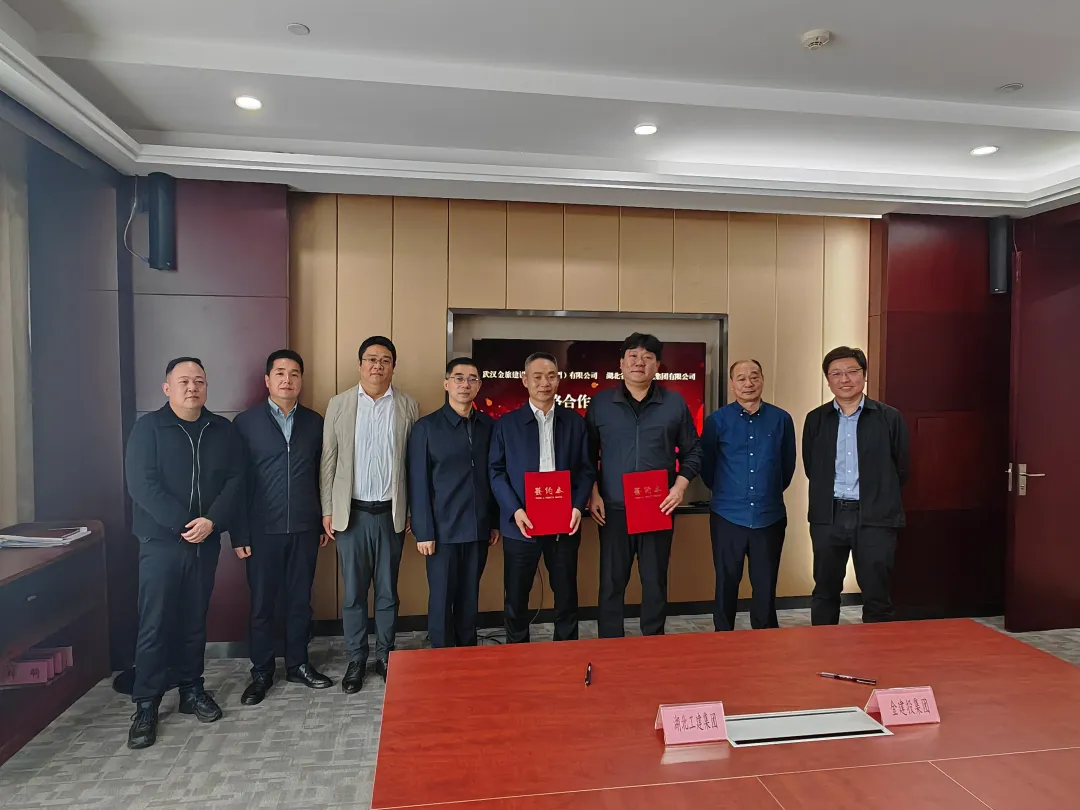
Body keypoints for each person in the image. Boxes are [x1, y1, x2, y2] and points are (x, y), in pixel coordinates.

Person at [123, 357, 245, 749]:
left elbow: (236, 480)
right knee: (155, 623)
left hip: (204, 542)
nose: (192, 387)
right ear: (167, 388)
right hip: (160, 543)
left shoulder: (221, 430)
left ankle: (192, 690)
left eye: (199, 381)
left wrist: (212, 521)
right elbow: (141, 484)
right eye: (184, 381)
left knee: (194, 619)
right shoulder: (149, 429)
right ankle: (146, 703)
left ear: (207, 387)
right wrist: (184, 523)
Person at [585, 333, 702, 638]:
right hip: (613, 508)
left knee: (654, 581)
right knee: (612, 582)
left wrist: (679, 487)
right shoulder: (601, 403)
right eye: (633, 356)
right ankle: (610, 643)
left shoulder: (674, 403)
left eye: (648, 357)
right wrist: (593, 493)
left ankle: (653, 643)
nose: (640, 362)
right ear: (621, 363)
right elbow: (586, 455)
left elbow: (694, 450)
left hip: (657, 507)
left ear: (657, 365)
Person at [233, 350, 333, 705]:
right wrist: (239, 532)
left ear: (301, 380)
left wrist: (321, 519)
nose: (287, 380)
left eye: (294, 373)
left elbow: (322, 474)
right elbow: (236, 482)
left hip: (304, 528)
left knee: (299, 602)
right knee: (262, 604)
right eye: (280, 373)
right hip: (262, 531)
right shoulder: (246, 423)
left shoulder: (315, 422)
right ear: (267, 380)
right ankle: (261, 671)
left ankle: (298, 664)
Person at [321, 336, 418, 693]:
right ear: (360, 364)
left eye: (385, 360)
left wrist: (411, 510)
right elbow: (328, 459)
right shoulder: (340, 404)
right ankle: (356, 658)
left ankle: (385, 655)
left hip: (391, 514)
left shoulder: (408, 405)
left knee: (388, 591)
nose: (378, 365)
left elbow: (413, 464)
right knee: (353, 593)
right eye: (371, 359)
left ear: (393, 366)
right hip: (352, 515)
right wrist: (328, 509)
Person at [489, 352, 594, 643]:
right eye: (537, 376)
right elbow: (496, 472)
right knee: (516, 596)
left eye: (550, 376)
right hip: (521, 523)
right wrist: (515, 510)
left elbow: (587, 469)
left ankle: (566, 650)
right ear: (525, 380)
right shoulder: (506, 424)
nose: (544, 383)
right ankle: (518, 653)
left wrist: (578, 506)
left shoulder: (574, 422)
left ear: (559, 380)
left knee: (566, 594)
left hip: (564, 523)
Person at [803, 346, 909, 625]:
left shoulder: (889, 417)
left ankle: (877, 650)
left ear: (864, 375)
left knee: (877, 594)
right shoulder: (816, 419)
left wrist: (878, 496)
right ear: (827, 380)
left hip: (875, 516)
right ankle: (823, 646)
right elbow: (811, 467)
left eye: (852, 371)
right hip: (829, 515)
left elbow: (901, 468)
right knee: (825, 590)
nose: (845, 379)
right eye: (836, 373)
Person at [408, 358, 500, 648]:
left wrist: (494, 522)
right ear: (446, 383)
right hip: (442, 531)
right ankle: (441, 657)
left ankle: (467, 655)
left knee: (469, 598)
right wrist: (424, 531)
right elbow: (418, 482)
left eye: (472, 379)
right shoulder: (426, 427)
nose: (465, 384)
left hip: (478, 528)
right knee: (442, 599)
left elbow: (494, 476)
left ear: (479, 386)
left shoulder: (489, 426)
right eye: (459, 378)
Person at [701, 360, 796, 631]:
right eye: (741, 378)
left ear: (762, 380)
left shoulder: (781, 419)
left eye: (754, 377)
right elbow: (707, 469)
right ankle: (723, 637)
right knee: (726, 583)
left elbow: (787, 467)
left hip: (769, 516)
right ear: (732, 384)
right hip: (727, 515)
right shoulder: (717, 421)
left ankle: (765, 640)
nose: (748, 383)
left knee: (765, 585)